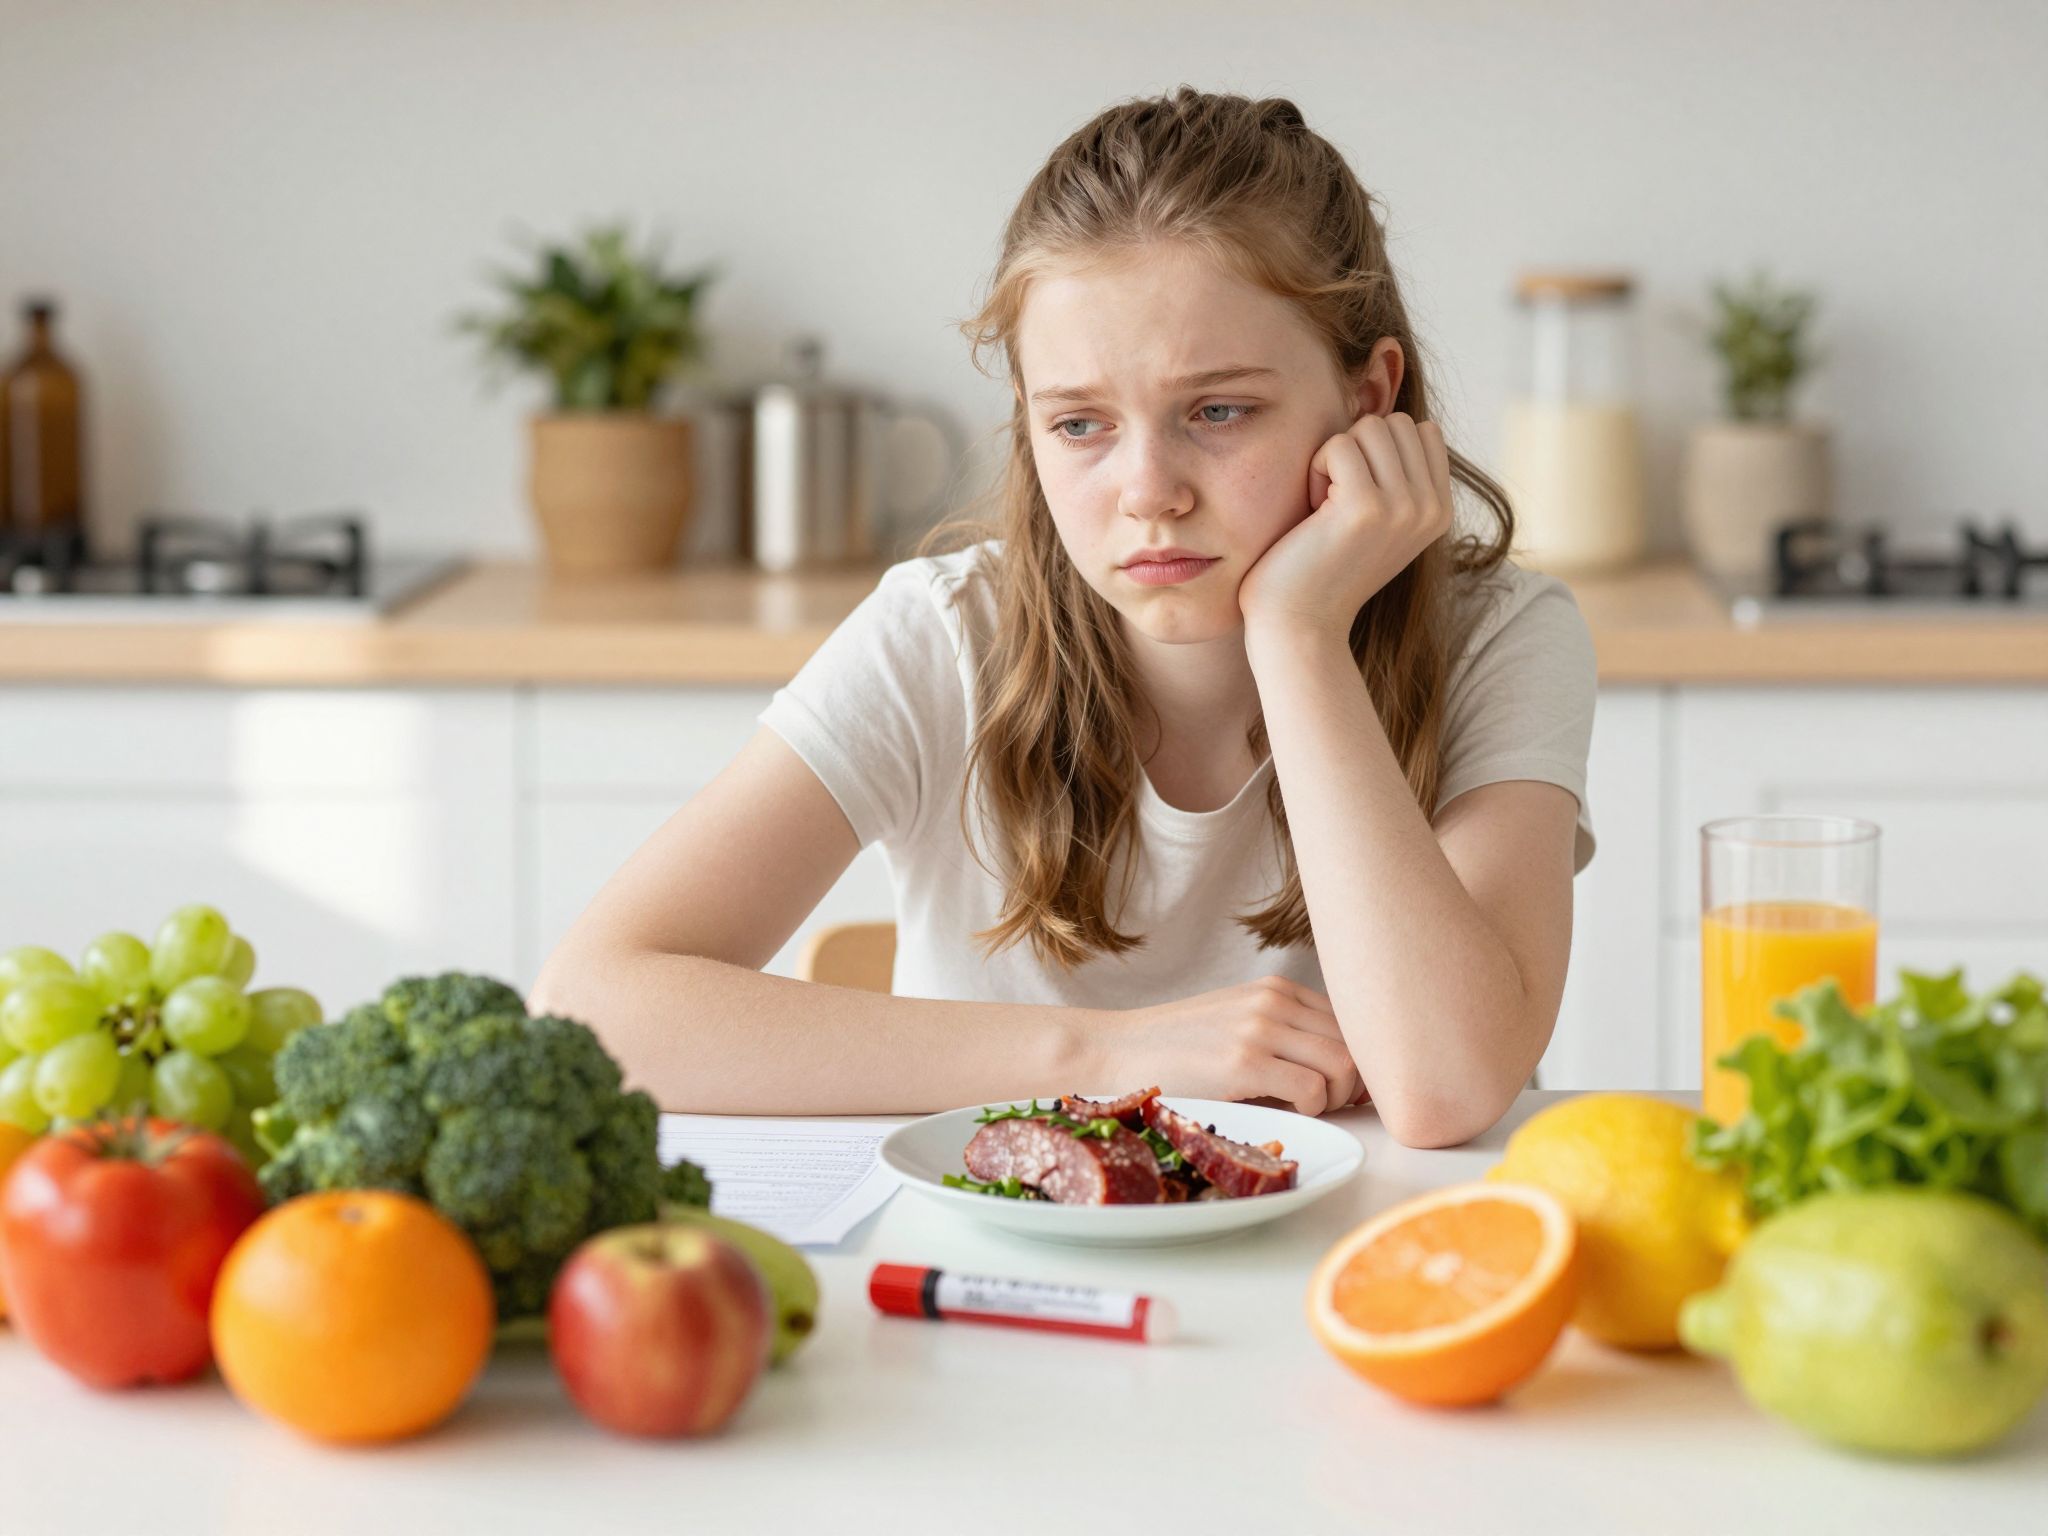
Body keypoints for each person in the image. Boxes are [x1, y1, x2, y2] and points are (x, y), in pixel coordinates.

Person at [532, 87, 1597, 1148]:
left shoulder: (1498, 636)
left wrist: (1298, 634)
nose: (1148, 490)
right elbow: (592, 1011)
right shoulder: (944, 636)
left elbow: (1444, 1088)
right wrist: (1101, 1055)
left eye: (1217, 411)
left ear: (1368, 399)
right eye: (1080, 424)